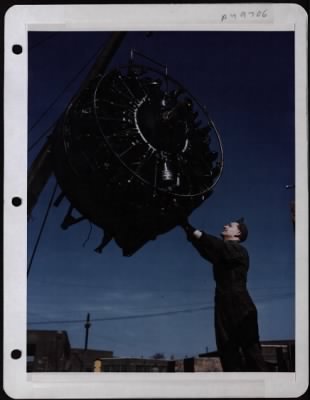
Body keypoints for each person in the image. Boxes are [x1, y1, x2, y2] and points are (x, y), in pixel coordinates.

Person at [179, 216, 268, 372]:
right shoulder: (222, 253)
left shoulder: (239, 250)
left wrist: (198, 233)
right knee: (227, 351)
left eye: (231, 225)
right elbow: (206, 249)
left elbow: (215, 246)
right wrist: (186, 227)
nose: (225, 225)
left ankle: (266, 389)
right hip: (222, 304)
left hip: (241, 304)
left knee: (251, 352)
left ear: (238, 234)